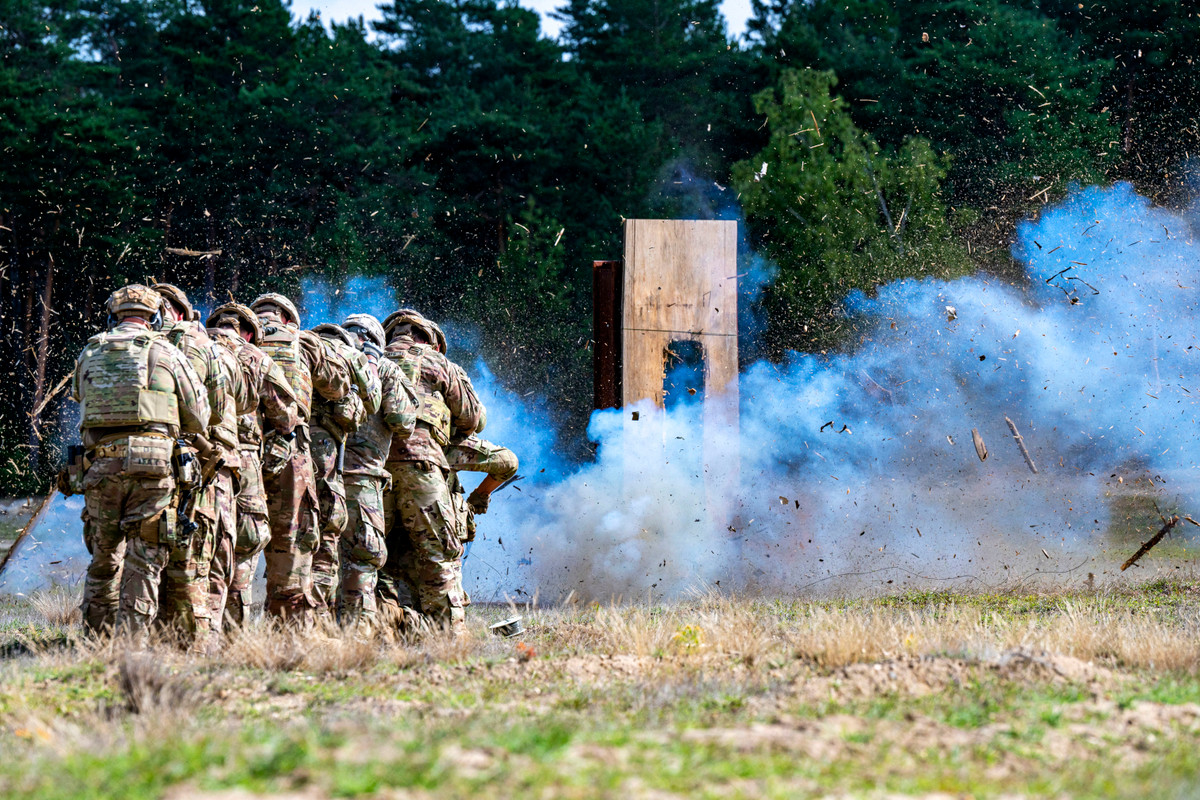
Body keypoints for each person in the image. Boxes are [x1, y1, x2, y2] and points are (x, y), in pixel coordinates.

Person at [71, 285, 209, 635]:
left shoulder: (90, 351)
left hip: (100, 467)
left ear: (112, 315)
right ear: (156, 317)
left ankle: (95, 645)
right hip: (153, 469)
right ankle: (132, 649)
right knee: (144, 562)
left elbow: (81, 400)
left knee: (103, 560)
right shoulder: (166, 351)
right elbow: (198, 416)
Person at [377, 309, 483, 633]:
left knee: (368, 558)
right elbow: (473, 417)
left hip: (370, 473)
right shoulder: (436, 362)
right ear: (429, 340)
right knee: (440, 555)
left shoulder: (369, 357)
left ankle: (377, 631)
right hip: (421, 469)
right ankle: (447, 641)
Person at [250, 293, 350, 624]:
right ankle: (286, 636)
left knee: (235, 544)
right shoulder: (303, 340)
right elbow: (337, 387)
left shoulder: (236, 339)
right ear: (289, 320)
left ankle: (222, 636)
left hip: (242, 450)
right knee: (291, 548)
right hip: (290, 450)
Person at [153, 282, 243, 647]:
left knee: (141, 556)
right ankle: (193, 648)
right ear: (182, 312)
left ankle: (137, 641)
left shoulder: (125, 343)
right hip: (194, 467)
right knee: (191, 558)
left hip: (145, 463)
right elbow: (218, 410)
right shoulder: (200, 343)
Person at [205, 302, 299, 628]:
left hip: (189, 458)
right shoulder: (254, 356)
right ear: (247, 331)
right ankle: (231, 634)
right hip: (240, 463)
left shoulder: (188, 347)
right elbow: (287, 416)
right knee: (243, 549)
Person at [338, 313, 417, 630]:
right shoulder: (383, 368)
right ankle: (357, 637)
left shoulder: (327, 361)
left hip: (318, 478)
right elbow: (402, 421)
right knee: (364, 558)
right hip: (361, 480)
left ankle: (315, 633)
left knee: (320, 559)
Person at [309, 323, 378, 617]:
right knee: (326, 534)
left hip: (282, 451)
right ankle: (319, 619)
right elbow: (373, 401)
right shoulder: (351, 355)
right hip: (325, 455)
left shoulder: (303, 347)